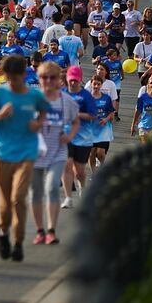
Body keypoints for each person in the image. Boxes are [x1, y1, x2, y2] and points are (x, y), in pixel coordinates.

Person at [0, 55, 47, 263]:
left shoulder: (33, 95)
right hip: (3, 154)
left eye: (16, 77)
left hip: (27, 153)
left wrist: (38, 124)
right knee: (6, 202)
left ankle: (18, 242)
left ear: (24, 75)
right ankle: (3, 234)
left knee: (19, 198)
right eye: (9, 77)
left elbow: (44, 110)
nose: (13, 82)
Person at [30, 62, 78, 246]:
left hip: (57, 151)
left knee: (51, 188)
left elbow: (75, 122)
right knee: (35, 192)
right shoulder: (32, 99)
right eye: (44, 77)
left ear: (59, 80)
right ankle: (39, 231)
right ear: (39, 79)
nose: (48, 81)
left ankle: (51, 230)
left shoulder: (66, 101)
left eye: (52, 77)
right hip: (34, 152)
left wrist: (70, 136)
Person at [60, 66, 97, 210]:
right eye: (71, 80)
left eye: (76, 80)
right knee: (66, 165)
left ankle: (82, 187)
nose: (73, 83)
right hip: (66, 135)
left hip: (83, 138)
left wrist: (76, 115)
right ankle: (68, 198)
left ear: (80, 80)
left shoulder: (86, 96)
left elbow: (92, 115)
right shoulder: (62, 93)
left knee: (79, 171)